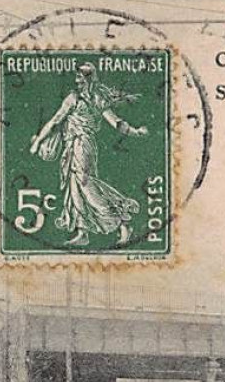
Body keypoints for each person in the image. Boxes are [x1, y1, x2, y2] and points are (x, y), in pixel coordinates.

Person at [29, 62, 149, 248]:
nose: (77, 80)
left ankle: (122, 221)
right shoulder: (73, 98)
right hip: (72, 145)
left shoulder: (96, 99)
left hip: (83, 144)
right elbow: (55, 121)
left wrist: (135, 132)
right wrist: (38, 142)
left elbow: (115, 122)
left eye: (80, 77)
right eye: (77, 77)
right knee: (75, 186)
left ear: (88, 79)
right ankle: (82, 232)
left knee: (85, 183)